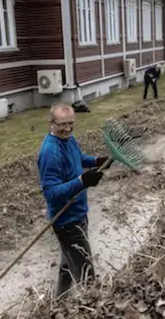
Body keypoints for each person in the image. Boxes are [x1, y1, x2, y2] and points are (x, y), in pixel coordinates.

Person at [37, 103, 109, 297]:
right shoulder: (50, 153)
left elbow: (78, 158)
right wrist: (81, 181)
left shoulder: (68, 139)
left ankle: (59, 302)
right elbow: (51, 193)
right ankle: (93, 307)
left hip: (78, 214)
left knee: (68, 265)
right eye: (62, 124)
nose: (67, 128)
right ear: (51, 123)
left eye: (71, 123)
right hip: (67, 222)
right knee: (87, 276)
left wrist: (96, 161)